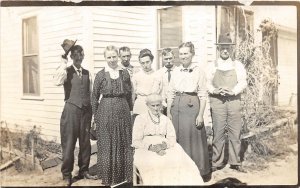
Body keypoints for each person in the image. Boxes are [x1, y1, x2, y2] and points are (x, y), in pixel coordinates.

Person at [132, 94, 204, 185]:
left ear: (161, 105)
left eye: (158, 105)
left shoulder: (165, 119)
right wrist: (152, 147)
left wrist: (163, 146)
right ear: (147, 105)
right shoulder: (140, 118)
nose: (155, 108)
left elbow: (172, 138)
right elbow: (136, 140)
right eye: (152, 105)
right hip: (146, 146)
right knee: (155, 162)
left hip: (165, 144)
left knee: (180, 159)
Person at [53, 40, 96, 186]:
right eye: (75, 56)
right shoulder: (65, 71)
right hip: (71, 112)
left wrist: (92, 114)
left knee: (85, 143)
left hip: (85, 112)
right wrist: (63, 63)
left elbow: (90, 93)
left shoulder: (88, 73)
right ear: (71, 57)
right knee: (69, 144)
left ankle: (84, 170)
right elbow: (57, 81)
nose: (78, 59)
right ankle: (67, 175)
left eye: (81, 56)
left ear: (83, 56)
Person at [167, 42, 211, 181]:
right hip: (176, 109)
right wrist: (168, 112)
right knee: (178, 139)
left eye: (186, 53)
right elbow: (170, 93)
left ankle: (199, 171)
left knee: (193, 140)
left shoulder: (199, 71)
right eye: (181, 54)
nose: (183, 56)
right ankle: (180, 172)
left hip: (192, 108)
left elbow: (203, 94)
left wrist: (200, 115)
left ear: (192, 54)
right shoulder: (175, 71)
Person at [91, 45, 133, 186]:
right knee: (107, 142)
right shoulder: (101, 75)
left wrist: (130, 110)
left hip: (123, 110)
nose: (112, 60)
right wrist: (95, 117)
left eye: (114, 56)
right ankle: (108, 177)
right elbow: (94, 96)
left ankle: (123, 175)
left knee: (123, 141)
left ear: (118, 57)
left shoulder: (124, 73)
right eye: (109, 57)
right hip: (106, 111)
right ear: (105, 58)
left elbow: (129, 93)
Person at [206, 34, 247, 173]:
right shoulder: (212, 66)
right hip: (217, 101)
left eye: (227, 48)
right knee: (218, 132)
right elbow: (207, 83)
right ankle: (217, 162)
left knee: (235, 131)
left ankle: (235, 162)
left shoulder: (238, 65)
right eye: (222, 48)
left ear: (231, 49)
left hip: (233, 100)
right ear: (218, 49)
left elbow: (243, 82)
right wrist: (215, 90)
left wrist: (233, 91)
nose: (225, 50)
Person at [131, 49, 157, 119]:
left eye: (147, 62)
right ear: (140, 63)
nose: (145, 65)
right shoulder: (136, 75)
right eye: (143, 63)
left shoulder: (157, 75)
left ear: (151, 61)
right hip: (139, 105)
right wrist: (132, 107)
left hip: (152, 104)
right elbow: (133, 93)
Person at [152, 48, 176, 115]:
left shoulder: (178, 72)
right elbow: (155, 92)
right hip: (163, 105)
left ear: (174, 57)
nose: (168, 61)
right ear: (162, 59)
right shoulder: (158, 73)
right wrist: (161, 103)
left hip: (176, 104)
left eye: (170, 58)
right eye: (166, 59)